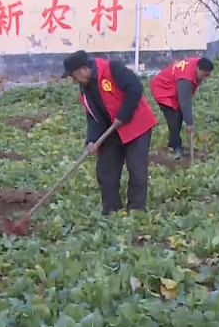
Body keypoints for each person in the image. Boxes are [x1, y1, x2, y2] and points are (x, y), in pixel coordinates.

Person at [63, 50, 157, 214]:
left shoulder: (112, 69)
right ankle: (112, 210)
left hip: (137, 126)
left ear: (84, 70)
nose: (73, 80)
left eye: (73, 75)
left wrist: (123, 115)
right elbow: (94, 118)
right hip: (112, 131)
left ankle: (136, 211)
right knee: (105, 171)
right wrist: (92, 140)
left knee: (136, 170)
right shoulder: (85, 90)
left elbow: (135, 88)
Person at [150, 57, 214, 157]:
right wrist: (189, 123)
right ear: (198, 69)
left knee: (179, 113)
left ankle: (174, 144)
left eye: (208, 75)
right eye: (204, 75)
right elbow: (185, 103)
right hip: (162, 89)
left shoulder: (198, 63)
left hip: (173, 87)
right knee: (175, 116)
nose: (204, 78)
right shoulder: (185, 79)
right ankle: (174, 146)